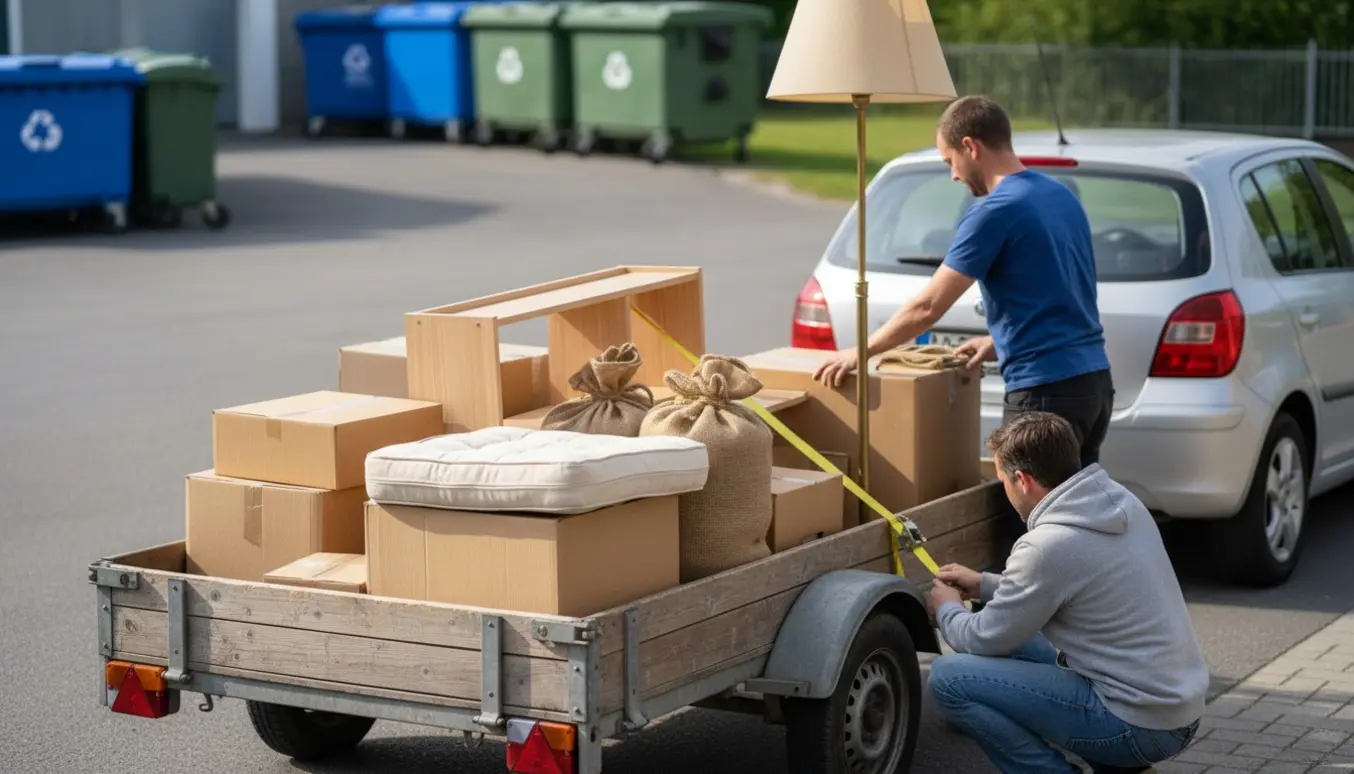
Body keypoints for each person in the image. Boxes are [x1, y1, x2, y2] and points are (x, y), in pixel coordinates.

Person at [812, 94, 1115, 468]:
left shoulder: (993, 212)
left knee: (1032, 521)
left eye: (949, 161)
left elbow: (927, 308)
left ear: (970, 147)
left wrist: (860, 351)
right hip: (1093, 385)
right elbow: (1062, 288)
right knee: (1076, 512)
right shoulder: (1059, 195)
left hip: (1043, 394)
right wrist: (999, 341)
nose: (953, 175)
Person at [925, 412, 1208, 774]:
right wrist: (985, 585)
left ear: (1023, 480)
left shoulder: (1047, 546)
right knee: (1020, 642)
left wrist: (948, 609)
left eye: (1003, 482)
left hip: (1139, 724)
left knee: (949, 679)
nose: (1006, 491)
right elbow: (1068, 585)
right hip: (1174, 708)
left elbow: (984, 640)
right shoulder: (1119, 502)